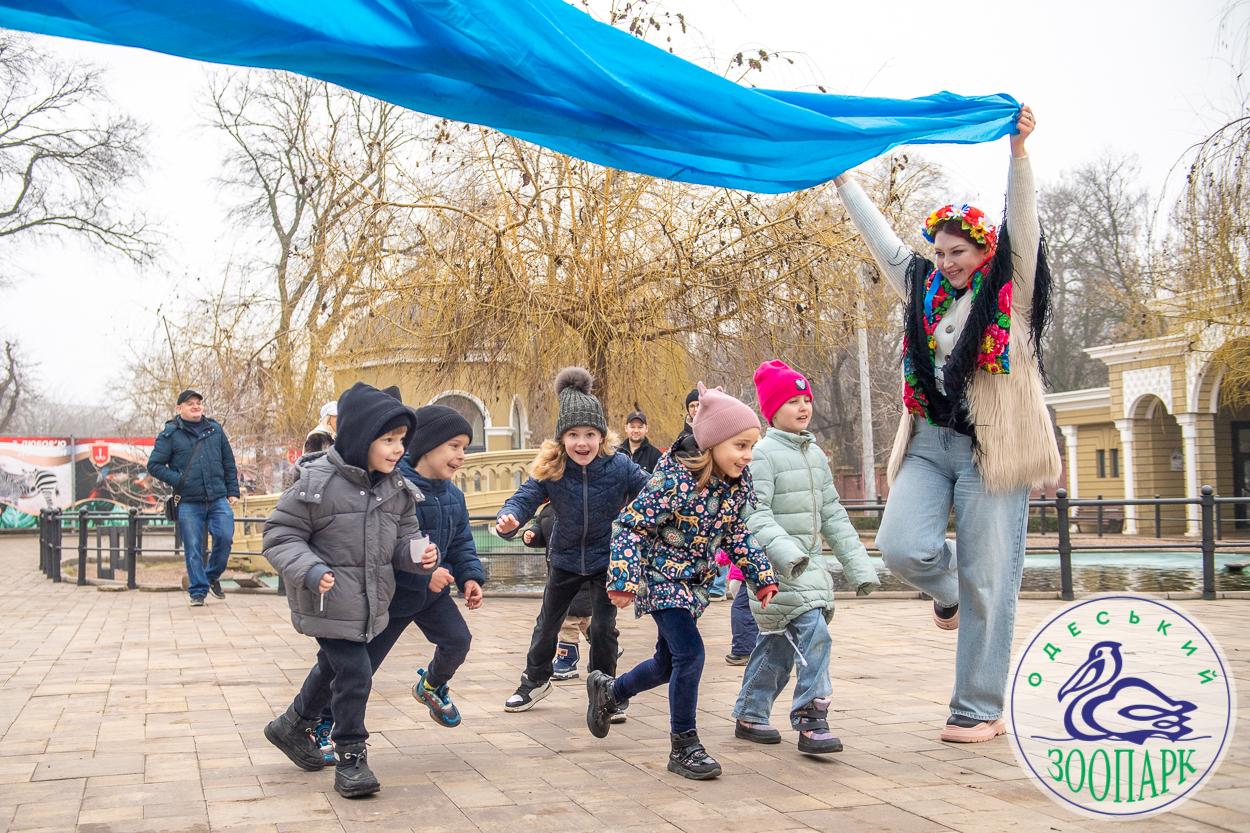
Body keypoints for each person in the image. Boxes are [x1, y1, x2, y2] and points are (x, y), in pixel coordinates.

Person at [834, 105, 1059, 743]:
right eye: (939, 251)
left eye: (957, 252)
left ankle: (978, 709)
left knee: (993, 578)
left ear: (983, 251)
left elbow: (1026, 219)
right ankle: (952, 590)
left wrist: (1018, 153)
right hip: (930, 442)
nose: (947, 261)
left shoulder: (1007, 284)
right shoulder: (923, 286)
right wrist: (846, 181)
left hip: (993, 448)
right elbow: (883, 243)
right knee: (902, 546)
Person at [585, 383, 778, 780]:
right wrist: (623, 578)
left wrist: (760, 576)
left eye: (751, 446)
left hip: (693, 584)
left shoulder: (736, 485)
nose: (748, 455)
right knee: (691, 654)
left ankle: (611, 692)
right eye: (740, 445)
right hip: (660, 578)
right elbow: (629, 525)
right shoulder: (674, 481)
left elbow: (737, 534)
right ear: (713, 443)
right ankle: (684, 745)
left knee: (667, 663)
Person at [261, 382, 429, 798]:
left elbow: (402, 542)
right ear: (359, 437)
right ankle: (351, 756)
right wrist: (311, 569)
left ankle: (291, 725)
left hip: (371, 602)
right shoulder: (316, 481)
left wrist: (418, 556)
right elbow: (279, 535)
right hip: (326, 599)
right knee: (355, 672)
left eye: (401, 441)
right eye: (387, 440)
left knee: (334, 667)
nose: (397, 450)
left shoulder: (397, 489)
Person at [310, 404, 485, 761]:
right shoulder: (394, 487)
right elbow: (380, 545)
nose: (461, 455)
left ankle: (432, 685)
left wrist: (470, 576)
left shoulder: (455, 496)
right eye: (454, 446)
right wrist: (423, 571)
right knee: (357, 671)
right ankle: (322, 723)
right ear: (427, 446)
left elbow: (462, 541)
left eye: (465, 447)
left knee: (458, 641)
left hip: (431, 596)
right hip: (391, 598)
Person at [731, 360, 880, 754]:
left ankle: (750, 713)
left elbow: (832, 513)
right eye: (792, 400)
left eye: (806, 399)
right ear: (772, 409)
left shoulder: (814, 455)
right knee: (814, 633)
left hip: (809, 568)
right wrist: (788, 554)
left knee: (779, 645)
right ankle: (812, 717)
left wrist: (859, 567)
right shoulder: (761, 455)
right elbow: (754, 513)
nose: (803, 407)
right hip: (777, 570)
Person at [496, 367, 649, 712]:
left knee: (604, 629)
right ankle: (535, 681)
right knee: (547, 623)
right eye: (574, 435)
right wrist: (510, 518)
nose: (582, 443)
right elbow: (524, 497)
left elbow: (653, 493)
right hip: (564, 559)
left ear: (602, 436)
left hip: (606, 559)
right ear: (562, 439)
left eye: (590, 434)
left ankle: (605, 690)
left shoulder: (620, 465)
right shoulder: (553, 468)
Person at [147, 389, 240, 606]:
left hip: (217, 497)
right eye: (190, 403)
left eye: (199, 402)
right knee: (194, 547)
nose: (196, 406)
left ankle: (210, 576)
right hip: (189, 501)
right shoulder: (170, 435)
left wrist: (232, 490)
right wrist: (178, 480)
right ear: (179, 409)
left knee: (225, 538)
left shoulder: (215, 429)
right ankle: (198, 592)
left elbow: (228, 461)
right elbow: (154, 465)